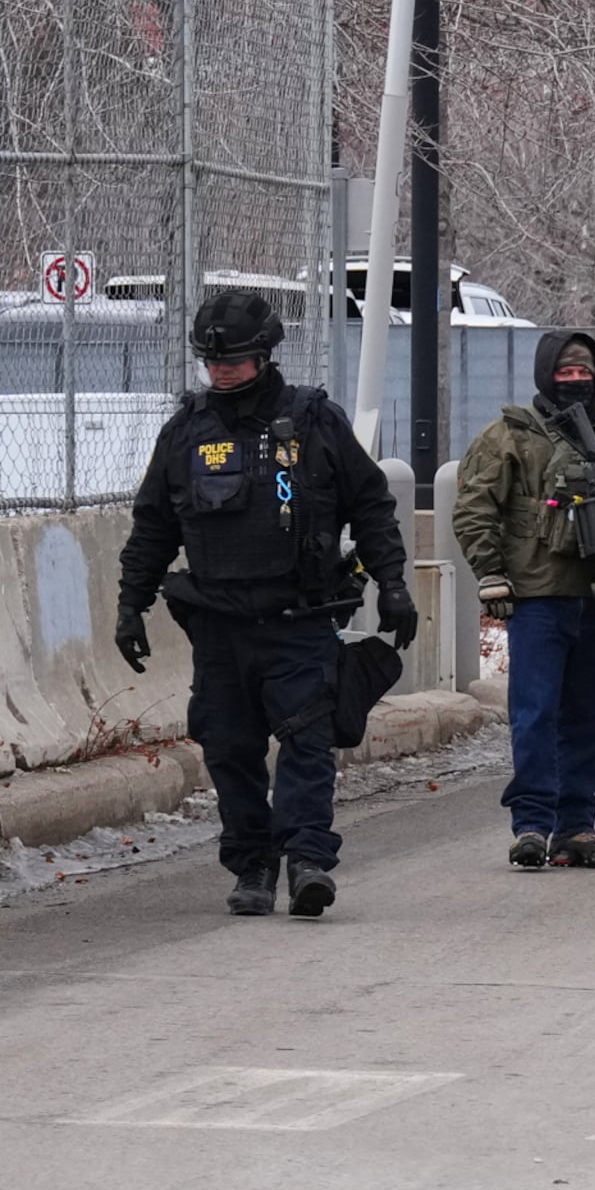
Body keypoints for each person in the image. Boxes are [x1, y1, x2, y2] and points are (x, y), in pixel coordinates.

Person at [116, 288, 412, 919]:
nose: (221, 370)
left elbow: (371, 504)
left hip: (299, 618)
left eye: (235, 360)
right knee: (229, 747)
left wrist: (392, 583)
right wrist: (129, 605)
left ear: (266, 354)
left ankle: (307, 859)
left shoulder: (314, 422)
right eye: (211, 361)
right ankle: (252, 863)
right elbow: (152, 527)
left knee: (307, 741)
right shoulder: (185, 432)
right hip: (220, 625)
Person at [451, 330, 595, 871]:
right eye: (565, 374)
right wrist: (491, 574)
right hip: (538, 600)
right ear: (544, 375)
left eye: (585, 374)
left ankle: (577, 825)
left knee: (587, 716)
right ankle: (531, 824)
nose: (576, 382)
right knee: (534, 713)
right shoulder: (508, 438)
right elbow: (474, 509)